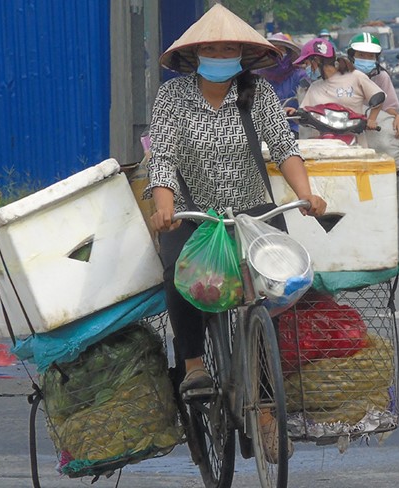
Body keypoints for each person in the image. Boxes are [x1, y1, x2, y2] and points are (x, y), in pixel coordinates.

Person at [147, 4, 327, 457]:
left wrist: (307, 195)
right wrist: (165, 208)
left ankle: (267, 411)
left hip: (256, 214)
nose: (221, 52)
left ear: (243, 54)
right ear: (195, 54)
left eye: (229, 47)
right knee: (178, 275)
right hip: (195, 215)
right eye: (212, 46)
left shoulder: (259, 94)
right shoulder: (172, 98)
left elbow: (284, 148)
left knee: (270, 298)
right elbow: (163, 158)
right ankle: (192, 364)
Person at [293, 37, 384, 146]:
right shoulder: (314, 87)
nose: (305, 68)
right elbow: (304, 114)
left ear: (316, 61)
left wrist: (372, 120)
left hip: (355, 143)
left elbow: (378, 97)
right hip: (323, 144)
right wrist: (293, 113)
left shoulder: (356, 76)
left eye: (307, 64)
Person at [346, 32, 399, 137]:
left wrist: (397, 116)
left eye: (370, 56)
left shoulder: (381, 76)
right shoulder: (341, 76)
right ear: (352, 56)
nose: (366, 59)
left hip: (372, 125)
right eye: (361, 55)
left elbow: (388, 106)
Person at [253, 32, 307, 138]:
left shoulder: (299, 75)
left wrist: (295, 111)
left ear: (288, 53)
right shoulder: (258, 75)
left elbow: (307, 103)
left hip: (293, 126)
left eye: (281, 50)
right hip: (266, 128)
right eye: (274, 51)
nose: (278, 54)